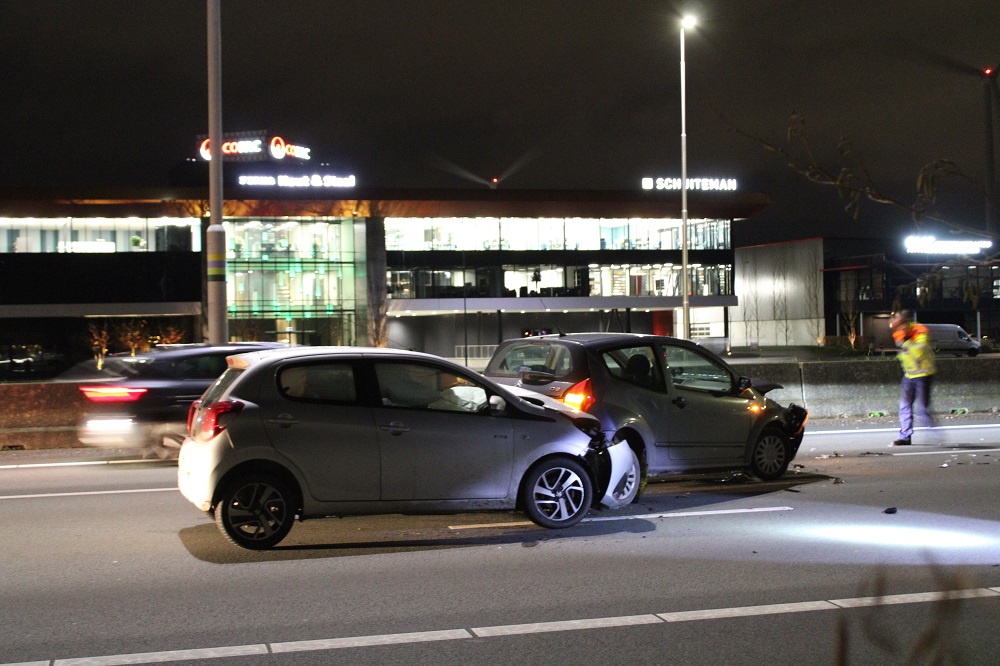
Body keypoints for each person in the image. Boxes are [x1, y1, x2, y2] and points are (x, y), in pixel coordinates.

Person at [888, 310, 936, 446]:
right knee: (904, 406)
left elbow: (919, 350)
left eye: (898, 324)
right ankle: (904, 437)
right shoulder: (899, 333)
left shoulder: (920, 330)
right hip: (909, 375)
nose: (896, 328)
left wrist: (905, 344)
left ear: (905, 323)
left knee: (923, 408)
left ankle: (935, 435)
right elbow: (905, 353)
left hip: (924, 374)